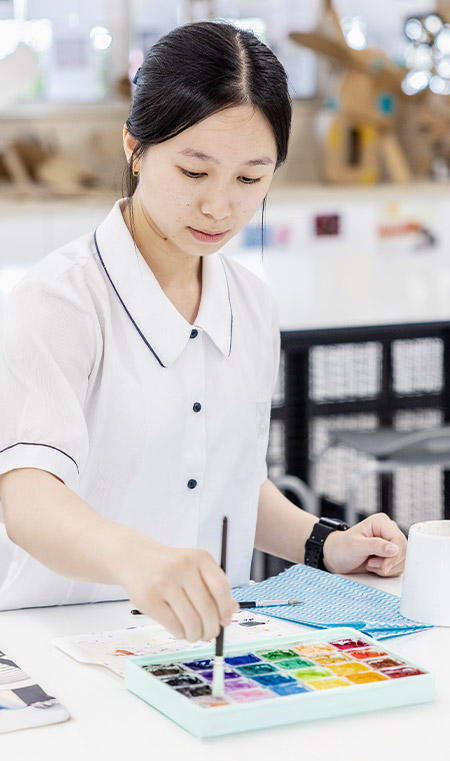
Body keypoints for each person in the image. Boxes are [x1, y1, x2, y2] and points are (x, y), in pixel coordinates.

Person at [0, 22, 406, 641]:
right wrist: (139, 560)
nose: (220, 207)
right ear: (135, 147)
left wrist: (325, 542)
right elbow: (28, 496)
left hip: (204, 650)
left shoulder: (251, 303)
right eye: (194, 172)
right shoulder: (59, 302)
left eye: (250, 179)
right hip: (59, 642)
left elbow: (228, 479)